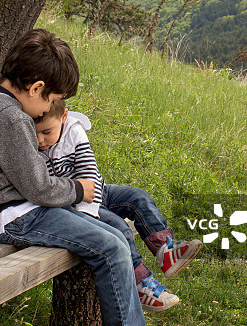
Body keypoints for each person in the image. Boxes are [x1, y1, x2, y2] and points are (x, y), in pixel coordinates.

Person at [0, 28, 182, 326]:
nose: (46, 109)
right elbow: (38, 185)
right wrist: (78, 189)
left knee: (115, 230)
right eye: (50, 99)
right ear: (36, 88)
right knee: (111, 248)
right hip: (17, 217)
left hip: (21, 210)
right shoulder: (10, 118)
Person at [34, 99, 203, 313]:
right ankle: (141, 283)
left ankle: (165, 251)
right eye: (35, 132)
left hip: (95, 192)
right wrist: (88, 218)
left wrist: (91, 211)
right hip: (73, 207)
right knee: (119, 227)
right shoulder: (30, 146)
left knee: (138, 197)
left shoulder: (74, 132)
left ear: (64, 117)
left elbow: (88, 174)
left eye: (47, 132)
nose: (40, 140)